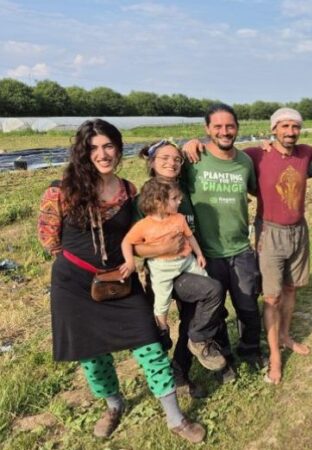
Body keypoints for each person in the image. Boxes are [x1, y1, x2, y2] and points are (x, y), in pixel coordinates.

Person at [37, 119, 205, 443]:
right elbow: (49, 242)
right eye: (94, 148)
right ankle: (114, 404)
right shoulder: (59, 192)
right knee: (93, 355)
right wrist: (86, 265)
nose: (102, 154)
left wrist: (152, 250)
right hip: (73, 285)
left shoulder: (129, 192)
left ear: (118, 148)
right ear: (82, 153)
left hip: (121, 280)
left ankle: (175, 417)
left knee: (150, 345)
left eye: (108, 146)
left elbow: (142, 236)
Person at [133, 139, 226, 397]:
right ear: (151, 162)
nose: (171, 163)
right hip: (162, 272)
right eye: (164, 158)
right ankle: (166, 377)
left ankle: (181, 371)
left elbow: (212, 146)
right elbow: (134, 246)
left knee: (192, 319)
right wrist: (161, 250)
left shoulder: (181, 191)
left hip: (188, 264)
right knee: (163, 327)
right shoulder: (144, 199)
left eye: (176, 159)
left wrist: (196, 142)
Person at [181, 104, 264, 382]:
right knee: (214, 311)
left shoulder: (244, 162)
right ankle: (223, 360)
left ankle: (250, 351)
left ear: (237, 128)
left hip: (240, 248)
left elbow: (255, 189)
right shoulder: (193, 160)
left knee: (248, 306)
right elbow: (161, 166)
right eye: (217, 126)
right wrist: (185, 146)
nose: (224, 131)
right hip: (206, 252)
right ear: (207, 129)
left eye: (229, 126)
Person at [245, 107, 312, 384]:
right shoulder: (256, 154)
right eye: (284, 126)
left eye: (295, 127)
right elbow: (222, 154)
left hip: (298, 229)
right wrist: (192, 144)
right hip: (270, 231)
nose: (290, 132)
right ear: (273, 129)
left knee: (290, 288)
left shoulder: (307, 153)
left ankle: (285, 335)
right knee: (272, 296)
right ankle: (275, 356)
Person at [123, 177, 226, 371]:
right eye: (175, 199)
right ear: (159, 202)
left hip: (186, 261)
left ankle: (207, 324)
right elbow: (127, 242)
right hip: (163, 268)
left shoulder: (178, 218)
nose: (179, 201)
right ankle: (163, 328)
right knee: (162, 300)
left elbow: (189, 236)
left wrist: (199, 254)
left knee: (211, 286)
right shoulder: (145, 225)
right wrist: (130, 262)